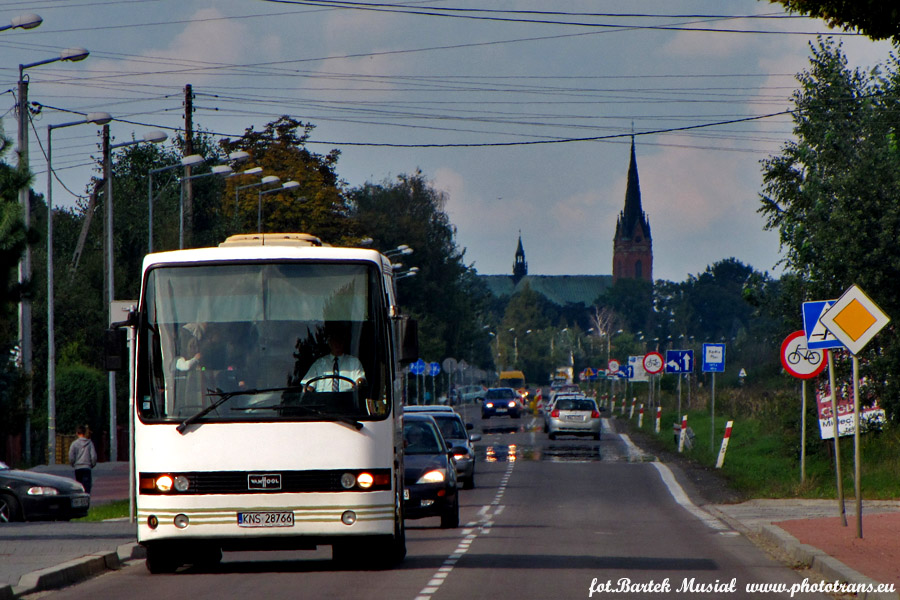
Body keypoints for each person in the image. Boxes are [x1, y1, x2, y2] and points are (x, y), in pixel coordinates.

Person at [300, 323, 366, 392]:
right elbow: (307, 385)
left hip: (347, 401)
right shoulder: (319, 363)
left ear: (343, 342)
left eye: (339, 340)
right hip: (323, 401)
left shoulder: (354, 362)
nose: (337, 343)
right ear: (329, 343)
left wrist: (359, 383)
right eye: (334, 340)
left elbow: (360, 380)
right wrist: (308, 392)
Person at [68, 425, 98, 494]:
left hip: (78, 468)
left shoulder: (74, 444)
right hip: (87, 467)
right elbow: (93, 456)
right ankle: (86, 499)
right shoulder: (90, 443)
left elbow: (71, 456)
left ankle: (80, 500)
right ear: (85, 433)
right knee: (87, 487)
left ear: (77, 433)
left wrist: (72, 464)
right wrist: (92, 464)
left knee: (79, 486)